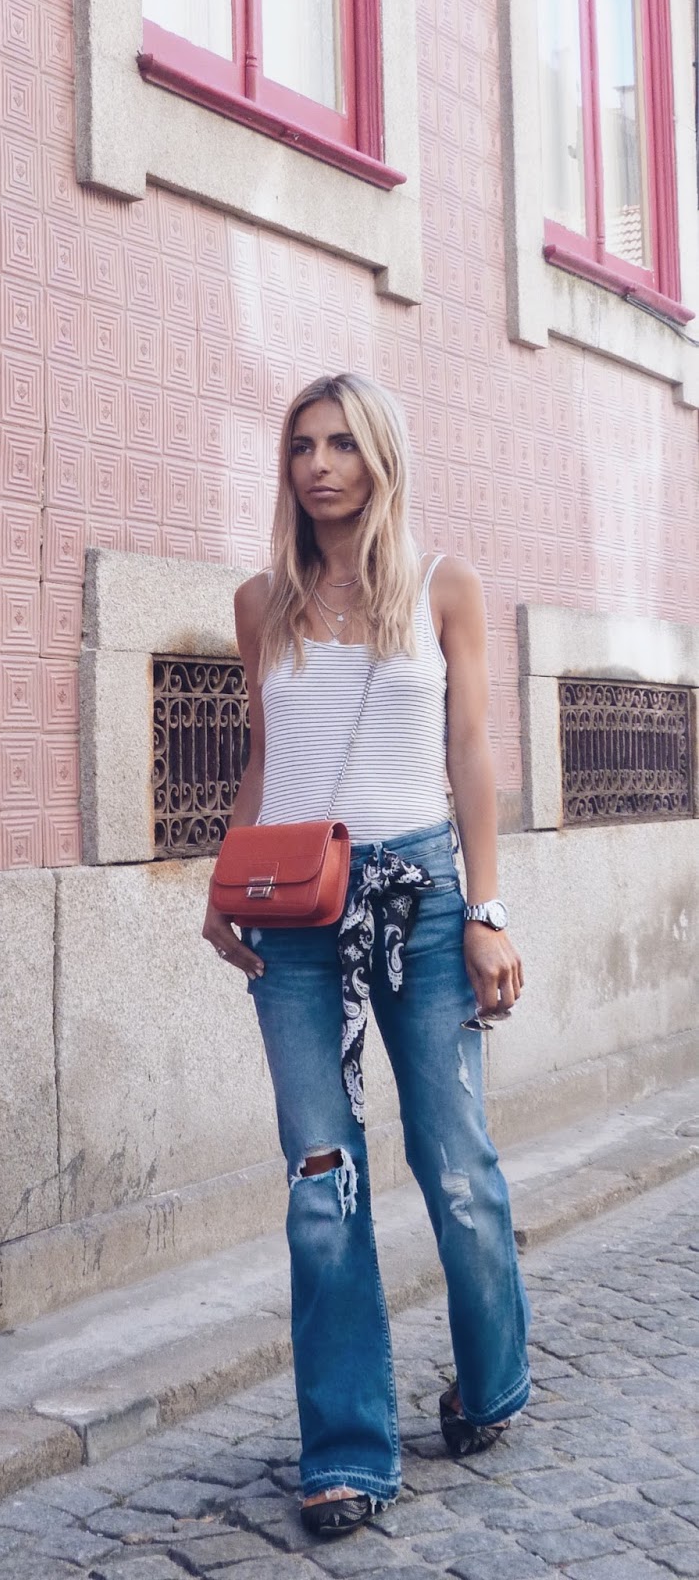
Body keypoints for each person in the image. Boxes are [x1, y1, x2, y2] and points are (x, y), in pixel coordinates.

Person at [202, 372, 531, 1537]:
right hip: (296, 913)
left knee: (454, 1163)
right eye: (301, 445)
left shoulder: (443, 587)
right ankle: (345, 1450)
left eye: (341, 443)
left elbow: (471, 750)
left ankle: (491, 1380)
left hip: (426, 903)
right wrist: (223, 878)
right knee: (319, 1180)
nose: (318, 465)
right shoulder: (261, 602)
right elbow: (264, 755)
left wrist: (487, 908)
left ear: (380, 456)